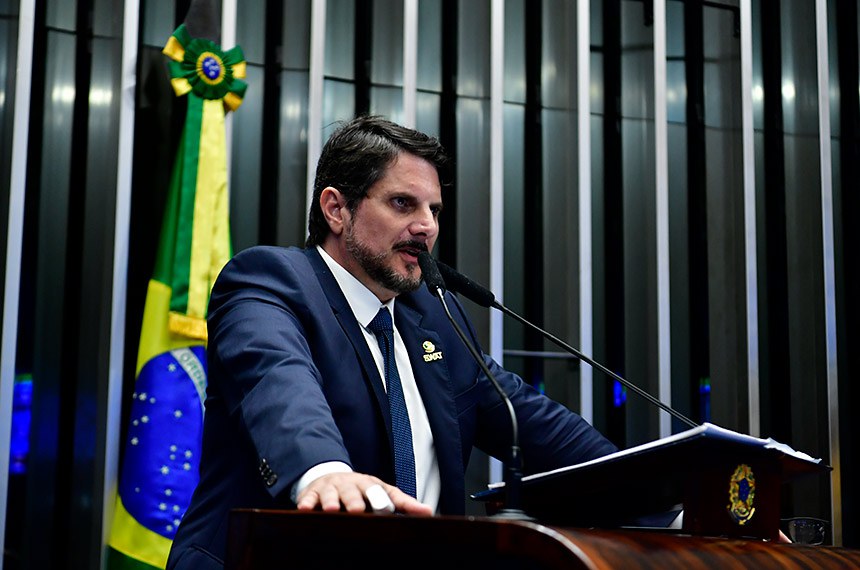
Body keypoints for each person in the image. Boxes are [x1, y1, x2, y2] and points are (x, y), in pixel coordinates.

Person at [166, 115, 618, 569]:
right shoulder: (271, 282)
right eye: (403, 204)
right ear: (336, 209)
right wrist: (323, 472)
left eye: (434, 210)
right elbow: (277, 380)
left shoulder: (435, 315)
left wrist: (642, 481)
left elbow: (530, 421)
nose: (427, 227)